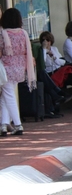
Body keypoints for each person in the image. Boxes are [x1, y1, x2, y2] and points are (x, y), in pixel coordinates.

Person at [0, 8, 37, 137]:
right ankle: (3, 124)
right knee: (7, 96)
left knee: (9, 96)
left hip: (6, 69)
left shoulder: (3, 33)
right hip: (20, 68)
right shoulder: (23, 33)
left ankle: (17, 124)